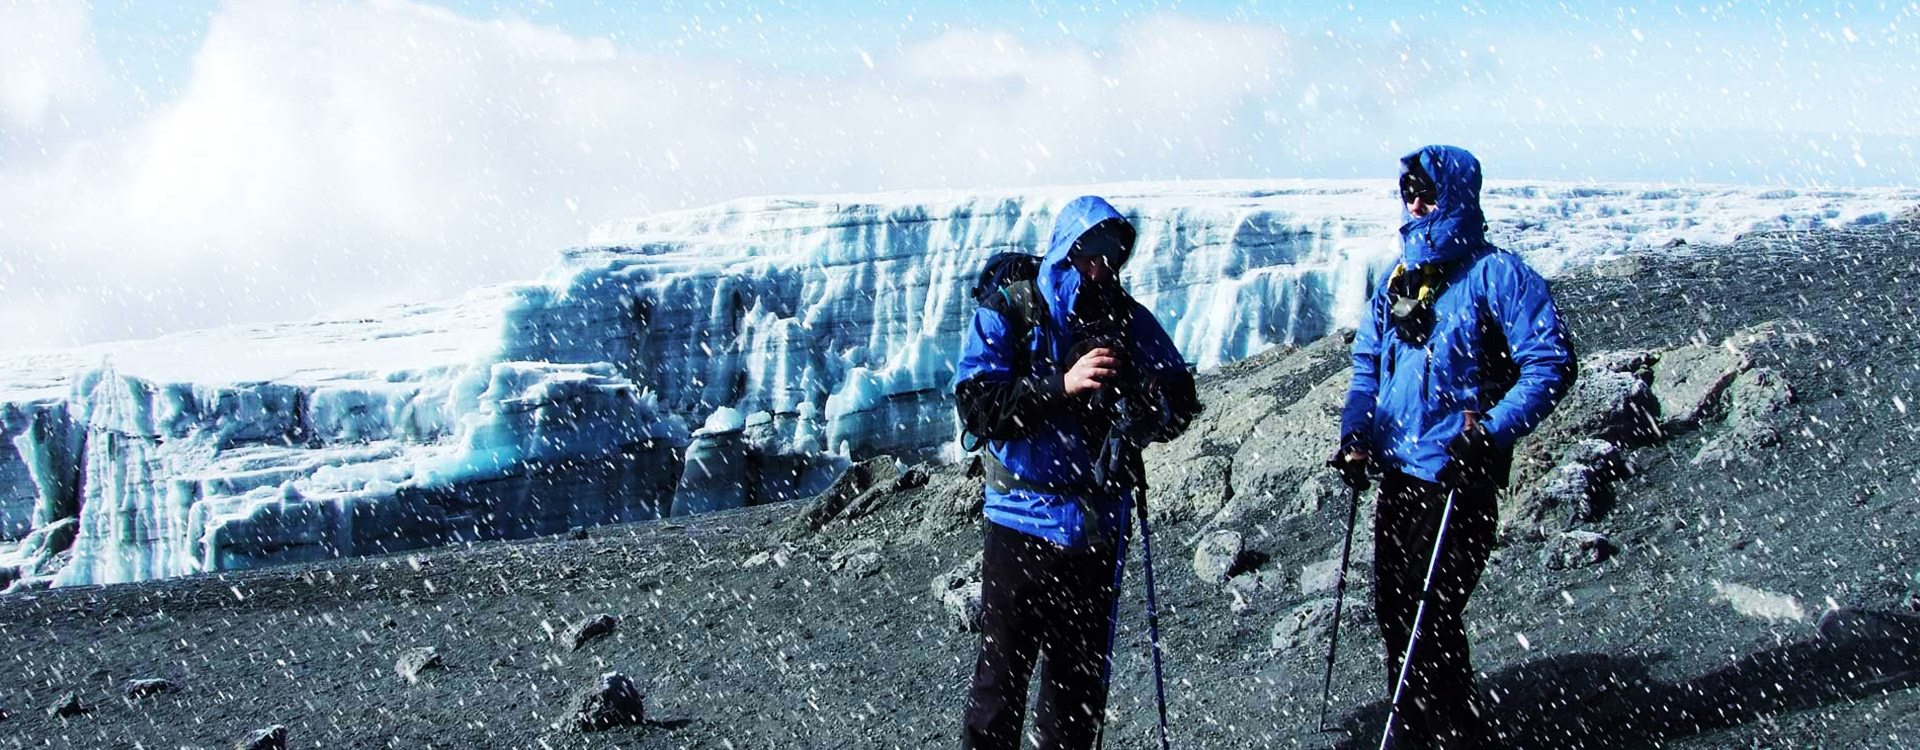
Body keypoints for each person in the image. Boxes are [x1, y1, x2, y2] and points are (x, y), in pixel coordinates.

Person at [1330, 146, 1577, 749]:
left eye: (1427, 189)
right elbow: (1368, 367)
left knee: (1425, 616)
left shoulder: (1498, 275)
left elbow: (1551, 362)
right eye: (1408, 189)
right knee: (1399, 612)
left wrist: (1490, 429)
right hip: (1399, 476)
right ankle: (1455, 725)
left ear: (1458, 195)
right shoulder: (1399, 279)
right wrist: (1356, 434)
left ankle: (1423, 730)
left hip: (1459, 478)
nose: (1416, 201)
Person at [951, 195, 1200, 750]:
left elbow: (1181, 399)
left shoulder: (1124, 317)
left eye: (1111, 255)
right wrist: (1059, 386)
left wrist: (1151, 399)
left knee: (1077, 694)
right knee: (1000, 689)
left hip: (1096, 527)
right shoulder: (1012, 310)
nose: (1100, 268)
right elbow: (976, 405)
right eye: (1089, 253)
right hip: (1020, 523)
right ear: (1065, 252)